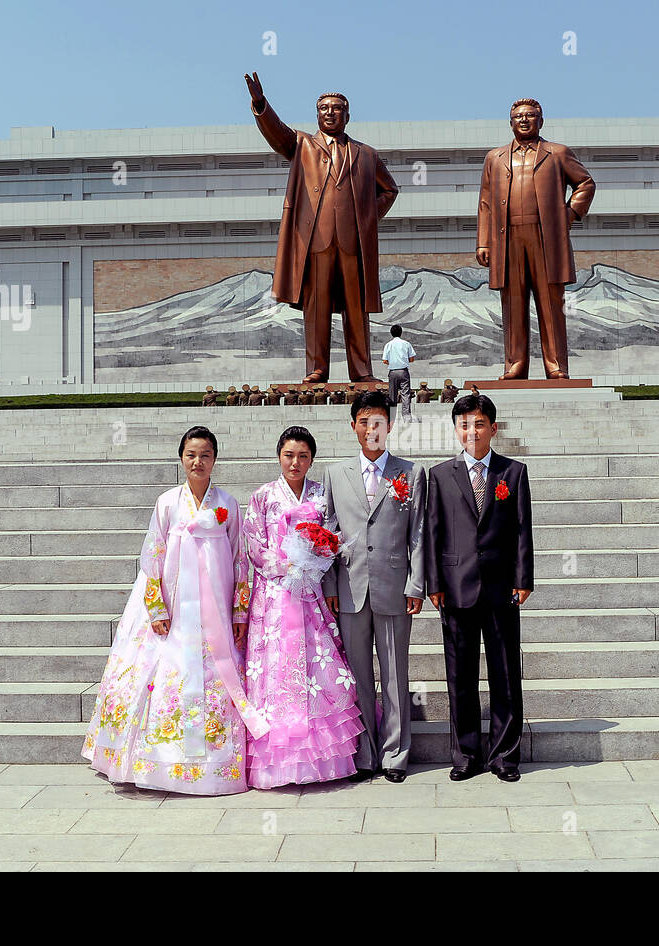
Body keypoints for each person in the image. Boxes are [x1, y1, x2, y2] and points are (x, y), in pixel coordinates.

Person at [82, 426, 263, 793]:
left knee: (216, 674)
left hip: (215, 612)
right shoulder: (167, 503)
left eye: (205, 455)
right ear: (181, 458)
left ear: (215, 459)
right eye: (191, 454)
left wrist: (240, 612)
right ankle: (160, 760)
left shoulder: (227, 504)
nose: (198, 461)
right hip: (176, 611)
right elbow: (152, 558)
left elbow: (240, 560)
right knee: (166, 673)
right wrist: (156, 608)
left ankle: (214, 762)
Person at [245, 71, 399, 384]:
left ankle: (362, 370)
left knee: (356, 309)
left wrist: (366, 218)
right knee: (316, 309)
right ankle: (317, 369)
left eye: (337, 108)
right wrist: (261, 104)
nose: (330, 112)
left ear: (348, 115)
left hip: (352, 243)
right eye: (324, 108)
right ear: (317, 115)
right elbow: (277, 134)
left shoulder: (366, 154)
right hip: (315, 241)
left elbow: (390, 190)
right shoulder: (302, 145)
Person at [240, 426, 365, 788]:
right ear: (279, 455)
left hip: (310, 593)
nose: (296, 462)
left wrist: (314, 561)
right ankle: (275, 761)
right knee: (275, 670)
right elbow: (253, 545)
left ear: (312, 459)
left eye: (303, 456)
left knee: (316, 666)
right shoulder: (263, 497)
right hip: (275, 599)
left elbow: (331, 539)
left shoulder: (321, 496)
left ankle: (323, 758)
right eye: (289, 455)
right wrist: (285, 566)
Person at [424, 394, 533, 782]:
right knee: (461, 675)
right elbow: (432, 532)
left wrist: (524, 580)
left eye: (479, 424)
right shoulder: (438, 475)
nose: (472, 432)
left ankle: (505, 755)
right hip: (455, 588)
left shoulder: (513, 473)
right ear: (456, 429)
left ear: (493, 428)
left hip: (502, 588)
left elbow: (522, 530)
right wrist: (433, 583)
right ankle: (466, 755)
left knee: (505, 673)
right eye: (464, 425)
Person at [321, 390, 427, 783]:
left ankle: (395, 755)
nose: (371, 429)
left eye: (378, 422)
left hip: (394, 587)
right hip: (349, 587)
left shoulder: (410, 473)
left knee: (396, 673)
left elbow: (418, 532)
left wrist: (416, 584)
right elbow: (327, 534)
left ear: (390, 426)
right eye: (364, 422)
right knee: (359, 675)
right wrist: (330, 583)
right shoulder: (335, 474)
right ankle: (364, 752)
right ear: (353, 427)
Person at [476, 98, 595, 379]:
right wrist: (483, 241)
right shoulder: (495, 157)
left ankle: (556, 365)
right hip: (508, 238)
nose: (524, 120)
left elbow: (585, 183)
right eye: (519, 116)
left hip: (546, 239)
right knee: (513, 303)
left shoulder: (557, 153)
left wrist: (568, 215)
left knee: (551, 303)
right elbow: (485, 202)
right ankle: (515, 365)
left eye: (530, 115)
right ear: (510, 122)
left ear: (541, 121)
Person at [381, 323, 417, 422]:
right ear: (401, 333)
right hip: (403, 371)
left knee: (392, 395)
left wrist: (392, 362)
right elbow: (412, 358)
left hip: (393, 372)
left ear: (391, 333)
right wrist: (404, 361)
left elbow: (384, 360)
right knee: (405, 394)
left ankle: (391, 417)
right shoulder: (406, 344)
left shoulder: (388, 344)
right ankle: (406, 416)